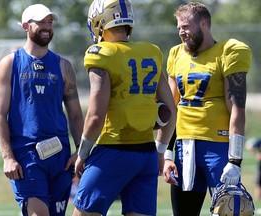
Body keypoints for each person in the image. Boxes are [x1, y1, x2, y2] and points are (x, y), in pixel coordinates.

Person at [72, 0, 176, 215]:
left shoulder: (101, 53)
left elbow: (95, 116)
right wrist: (160, 151)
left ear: (100, 20)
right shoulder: (151, 51)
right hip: (146, 154)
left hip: (113, 150)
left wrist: (82, 153)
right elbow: (171, 109)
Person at [0, 4, 84, 216]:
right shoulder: (9, 64)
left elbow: (76, 115)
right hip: (26, 156)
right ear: (25, 26)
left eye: (50, 22)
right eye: (40, 22)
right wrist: (8, 157)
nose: (47, 27)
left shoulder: (64, 66)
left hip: (59, 157)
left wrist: (80, 150)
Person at [162, 2, 252, 215]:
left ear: (204, 23)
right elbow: (170, 108)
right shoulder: (176, 54)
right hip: (185, 149)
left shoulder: (228, 51)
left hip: (218, 147)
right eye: (178, 28)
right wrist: (166, 153)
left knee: (228, 212)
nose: (181, 33)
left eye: (185, 26)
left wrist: (235, 160)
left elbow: (237, 108)